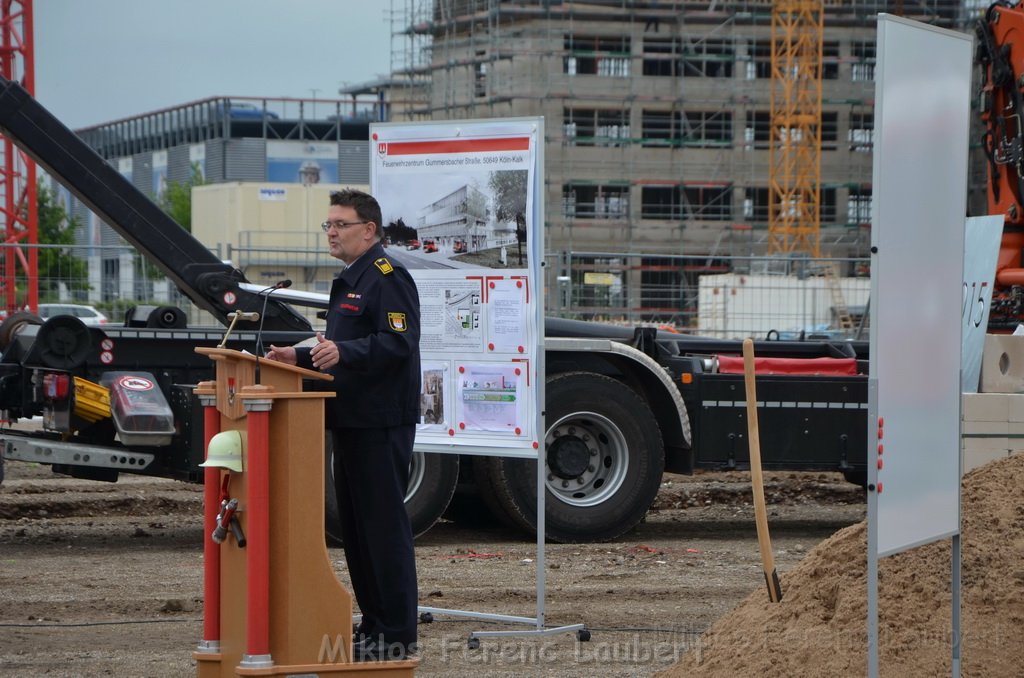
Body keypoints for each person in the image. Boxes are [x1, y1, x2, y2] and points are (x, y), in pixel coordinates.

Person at [265, 189, 420, 661]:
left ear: (368, 230)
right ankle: (373, 626)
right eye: (327, 225)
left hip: (380, 421)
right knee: (356, 530)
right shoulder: (350, 280)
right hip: (349, 419)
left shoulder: (387, 277)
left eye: (340, 224)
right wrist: (300, 354)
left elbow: (398, 342)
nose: (330, 232)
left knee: (382, 530)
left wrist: (342, 352)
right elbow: (340, 345)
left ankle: (396, 633)